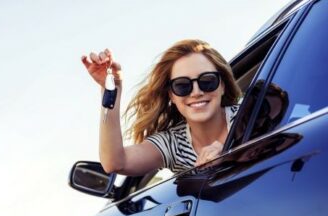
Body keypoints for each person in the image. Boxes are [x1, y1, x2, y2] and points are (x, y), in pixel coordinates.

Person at [81, 39, 242, 176]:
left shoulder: (249, 116)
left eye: (207, 81)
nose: (196, 92)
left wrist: (232, 151)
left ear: (222, 86)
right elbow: (114, 162)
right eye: (182, 85)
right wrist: (111, 89)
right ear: (171, 95)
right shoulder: (173, 144)